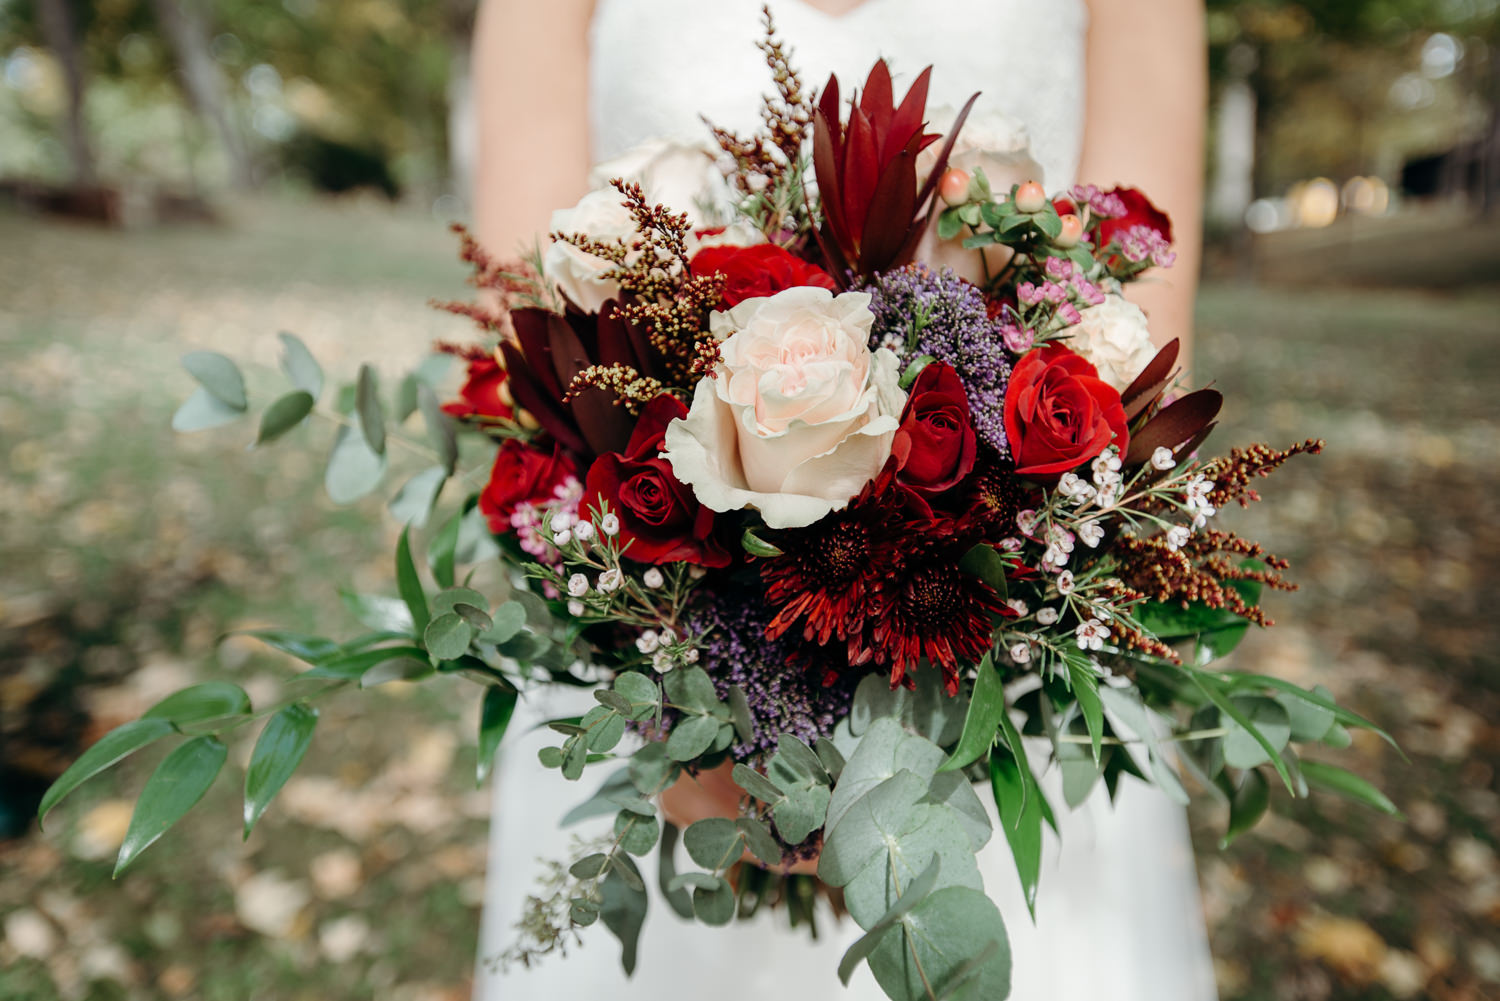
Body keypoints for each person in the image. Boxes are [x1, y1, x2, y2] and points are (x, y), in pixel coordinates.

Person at [470, 1, 1215, 998]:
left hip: (991, 674)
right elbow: (522, 334)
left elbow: (1139, 330)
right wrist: (679, 719)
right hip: (656, 678)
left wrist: (955, 688)